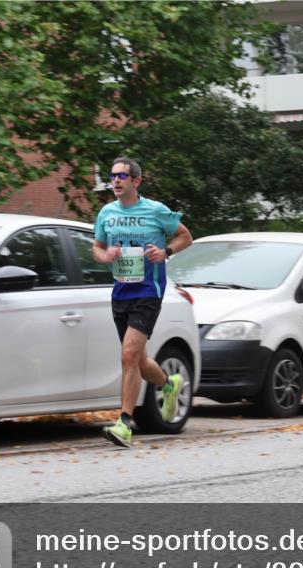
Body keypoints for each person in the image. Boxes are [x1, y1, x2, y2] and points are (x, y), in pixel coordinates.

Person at [93, 157, 193, 447]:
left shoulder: (155, 211)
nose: (116, 181)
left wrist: (166, 251)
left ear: (136, 181)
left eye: (122, 176)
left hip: (149, 291)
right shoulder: (106, 213)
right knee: (138, 359)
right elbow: (97, 248)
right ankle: (169, 384)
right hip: (121, 292)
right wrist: (106, 256)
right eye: (112, 176)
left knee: (127, 355)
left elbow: (186, 236)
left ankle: (124, 423)